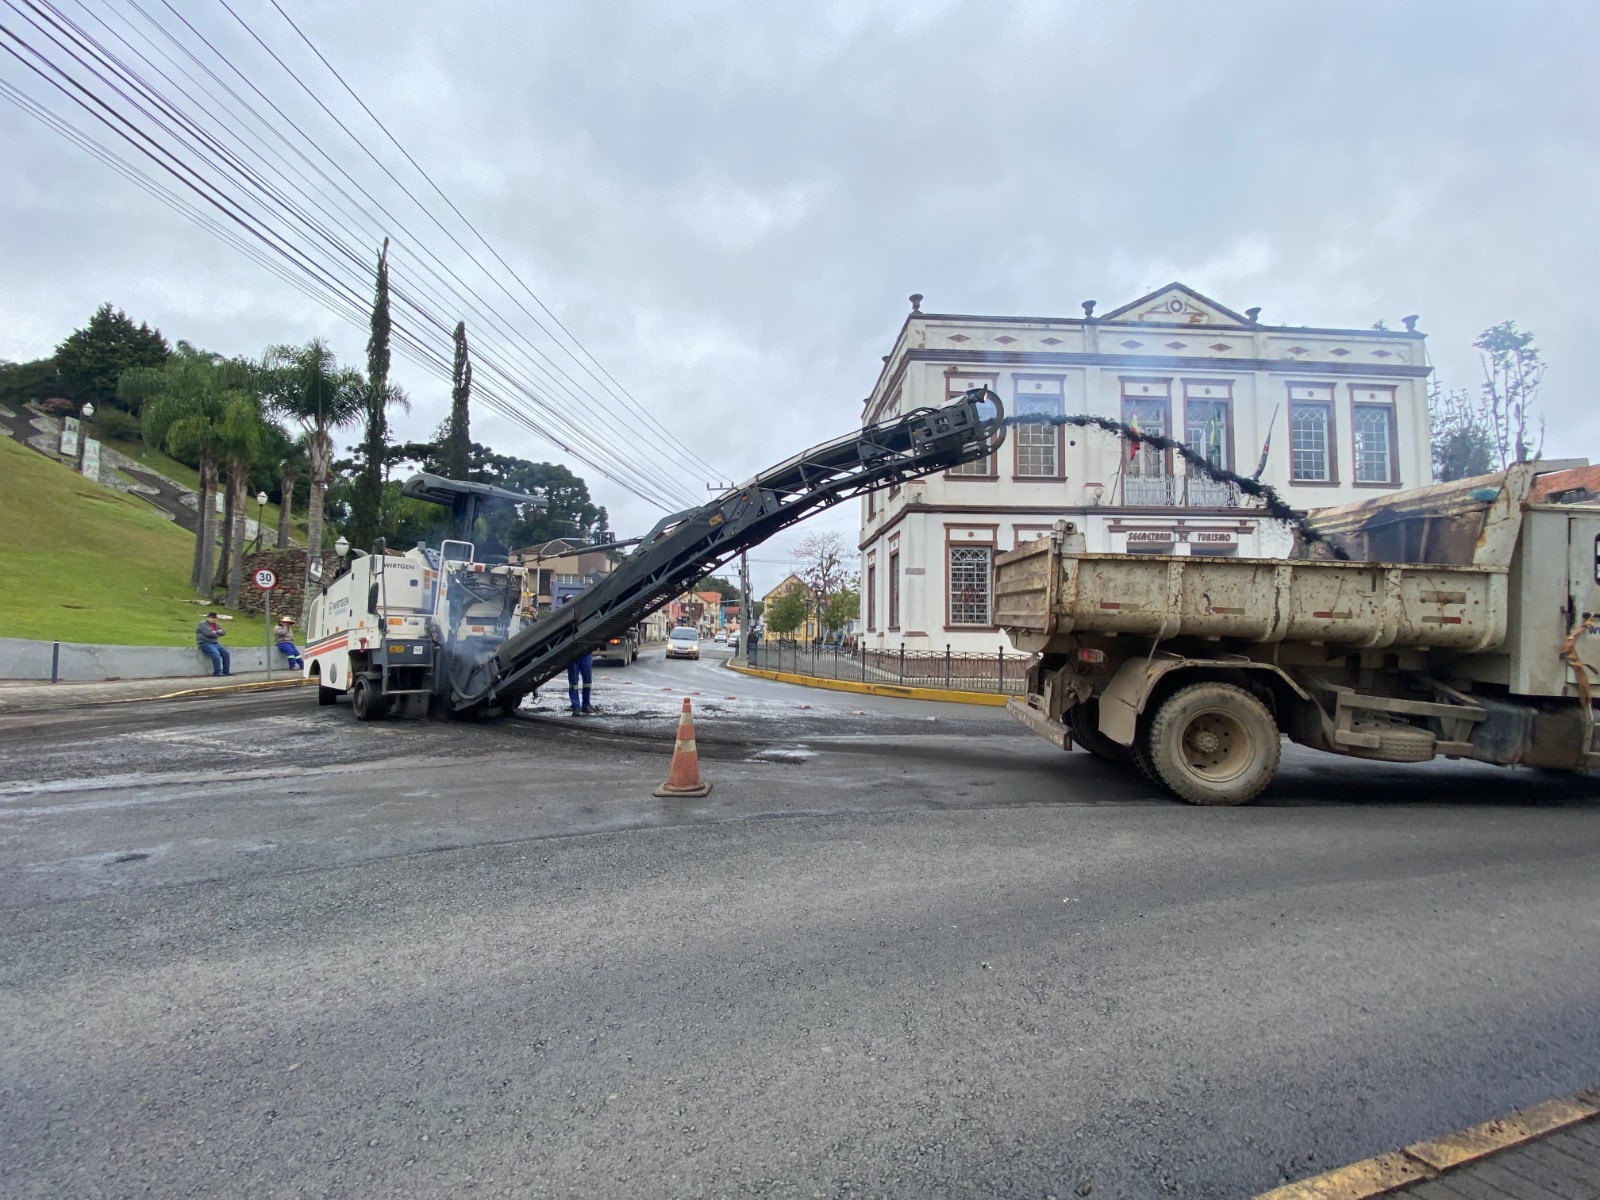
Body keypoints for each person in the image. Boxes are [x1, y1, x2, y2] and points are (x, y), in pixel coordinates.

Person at [195, 611, 231, 676]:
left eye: (215, 618)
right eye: (212, 618)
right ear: (208, 618)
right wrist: (217, 633)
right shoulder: (202, 624)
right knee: (216, 653)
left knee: (226, 654)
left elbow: (223, 632)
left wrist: (215, 632)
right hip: (204, 643)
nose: (214, 619)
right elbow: (209, 634)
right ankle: (217, 672)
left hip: (215, 643)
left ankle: (226, 671)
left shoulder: (217, 625)